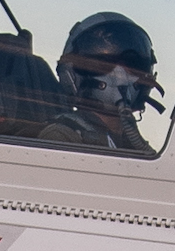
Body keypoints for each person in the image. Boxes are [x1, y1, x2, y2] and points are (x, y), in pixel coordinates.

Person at [56, 11, 162, 151]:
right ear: (70, 72)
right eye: (103, 64)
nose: (120, 74)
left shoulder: (133, 144)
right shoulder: (61, 136)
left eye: (132, 65)